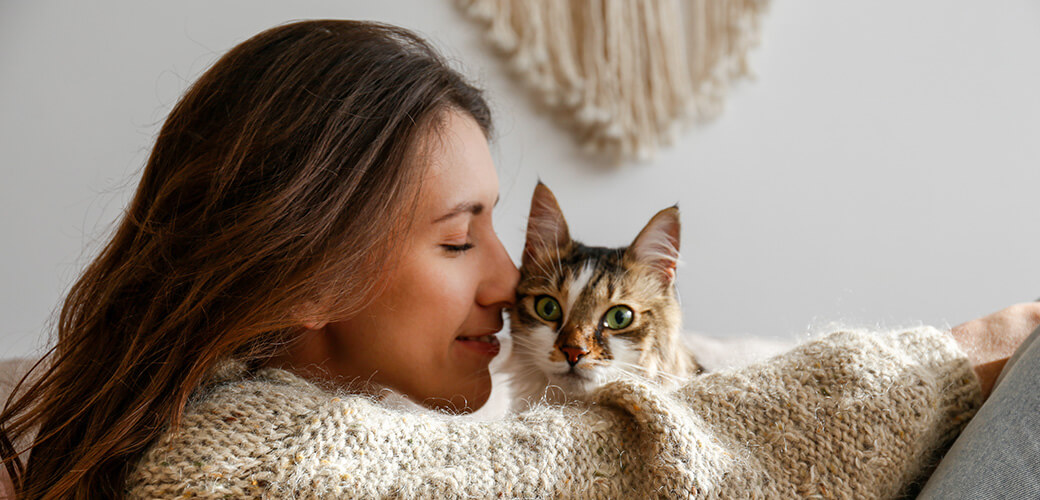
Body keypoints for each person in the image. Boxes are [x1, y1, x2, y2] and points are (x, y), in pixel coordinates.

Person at [0, 19, 1036, 499]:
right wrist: (939, 358)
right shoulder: (234, 469)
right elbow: (564, 473)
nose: (506, 280)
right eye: (458, 237)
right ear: (300, 275)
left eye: (499, 227)